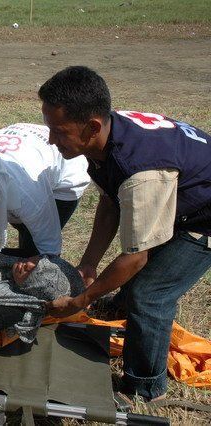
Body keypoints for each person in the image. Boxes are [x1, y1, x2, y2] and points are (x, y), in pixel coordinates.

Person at [38, 65, 211, 401]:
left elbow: (135, 257)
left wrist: (82, 299)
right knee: (132, 290)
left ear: (92, 127)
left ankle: (145, 386)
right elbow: (111, 200)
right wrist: (89, 263)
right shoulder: (106, 139)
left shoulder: (141, 172)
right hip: (182, 194)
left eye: (59, 132)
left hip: (204, 219)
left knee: (150, 294)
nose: (51, 140)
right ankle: (122, 317)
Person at [0, 123, 90, 257]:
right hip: (23, 141)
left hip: (65, 172)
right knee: (24, 234)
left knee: (33, 252)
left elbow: (49, 250)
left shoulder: (29, 196)